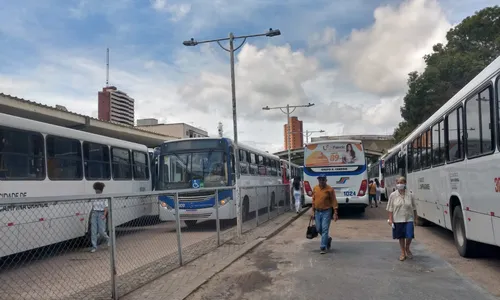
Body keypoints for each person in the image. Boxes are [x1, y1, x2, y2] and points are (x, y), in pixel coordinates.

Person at [386, 176, 417, 261]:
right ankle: (403, 252)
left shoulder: (410, 194)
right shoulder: (393, 195)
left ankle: (407, 248)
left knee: (409, 235)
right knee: (401, 236)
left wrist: (416, 218)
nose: (400, 184)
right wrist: (390, 219)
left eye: (401, 182)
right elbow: (390, 208)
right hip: (398, 218)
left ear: (405, 183)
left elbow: (414, 207)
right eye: (398, 183)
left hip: (409, 218)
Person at [311, 175, 338, 254]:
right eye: (320, 180)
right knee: (319, 228)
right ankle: (328, 239)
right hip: (317, 211)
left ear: (326, 180)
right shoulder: (315, 188)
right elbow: (313, 200)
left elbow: (334, 201)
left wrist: (335, 212)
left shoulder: (330, 189)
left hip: (326, 211)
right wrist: (312, 211)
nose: (321, 181)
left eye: (323, 180)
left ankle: (323, 247)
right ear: (318, 180)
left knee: (325, 228)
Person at [90, 182, 110, 253]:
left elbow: (106, 207)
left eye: (97, 190)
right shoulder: (93, 197)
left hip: (101, 213)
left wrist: (104, 215)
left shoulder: (104, 197)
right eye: (96, 190)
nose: (96, 191)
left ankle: (108, 239)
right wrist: (92, 214)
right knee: (93, 231)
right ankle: (94, 246)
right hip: (94, 213)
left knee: (101, 231)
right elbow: (92, 206)